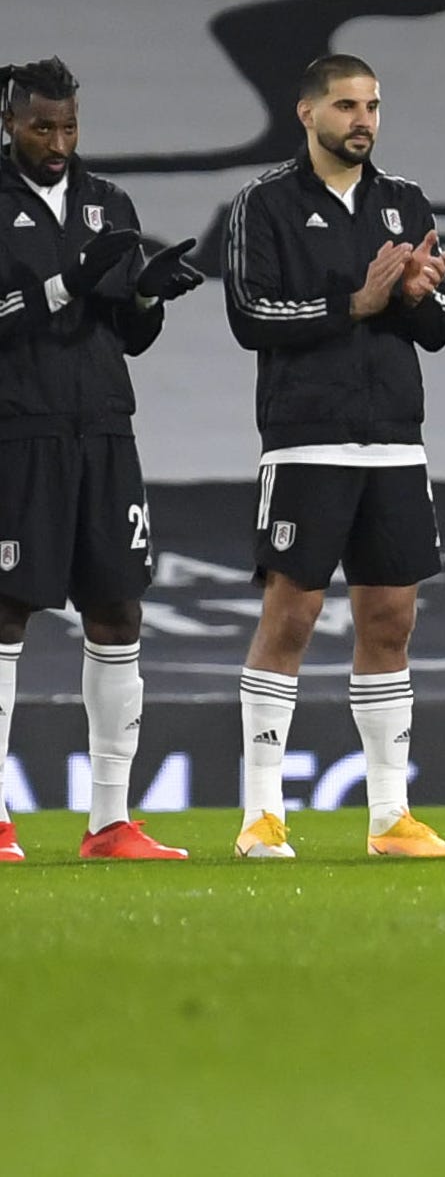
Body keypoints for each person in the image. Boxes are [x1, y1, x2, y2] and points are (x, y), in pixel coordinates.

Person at [222, 54, 445, 860]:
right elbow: (251, 314)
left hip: (394, 442)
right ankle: (262, 815)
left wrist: (419, 297)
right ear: (308, 113)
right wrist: (355, 302)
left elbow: (444, 324)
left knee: (391, 620)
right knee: (290, 616)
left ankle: (391, 817)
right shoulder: (264, 202)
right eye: (347, 106)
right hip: (307, 439)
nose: (363, 121)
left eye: (373, 106)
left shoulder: (405, 201)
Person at [0, 57, 202, 861]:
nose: (58, 143)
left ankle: (110, 822)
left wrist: (147, 293)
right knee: (6, 610)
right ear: (9, 121)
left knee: (118, 608)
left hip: (106, 433)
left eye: (69, 126)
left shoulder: (107, 203)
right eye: (41, 127)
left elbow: (130, 336)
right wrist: (62, 285)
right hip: (20, 432)